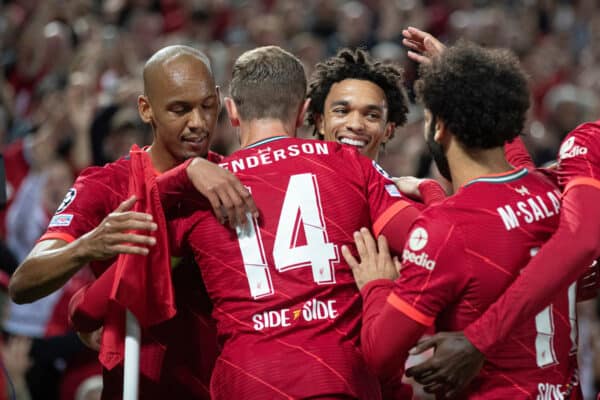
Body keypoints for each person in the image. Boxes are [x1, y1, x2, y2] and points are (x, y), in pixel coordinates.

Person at [72, 45, 424, 399]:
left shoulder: (203, 191)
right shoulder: (353, 166)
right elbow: (433, 242)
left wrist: (81, 311)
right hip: (337, 378)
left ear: (232, 111)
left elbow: (111, 290)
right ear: (303, 112)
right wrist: (428, 192)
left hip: (249, 382)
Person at [8, 45, 257, 399]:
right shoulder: (105, 186)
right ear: (146, 109)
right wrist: (90, 244)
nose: (199, 123)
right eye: (180, 110)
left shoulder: (236, 178)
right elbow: (24, 282)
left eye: (206, 105)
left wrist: (87, 307)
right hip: (140, 388)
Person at [342, 41, 580, 399]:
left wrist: (377, 285)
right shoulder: (550, 190)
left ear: (440, 126)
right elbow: (510, 164)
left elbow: (380, 354)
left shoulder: (446, 228)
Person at [398, 27, 600, 397]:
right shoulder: (563, 173)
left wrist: (478, 339)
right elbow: (515, 176)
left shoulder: (589, 144)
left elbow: (581, 241)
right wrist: (470, 90)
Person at [307, 47, 446, 205]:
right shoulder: (283, 187)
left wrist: (431, 193)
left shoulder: (408, 205)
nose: (356, 125)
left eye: (372, 115)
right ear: (320, 122)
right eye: (342, 111)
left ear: (388, 130)